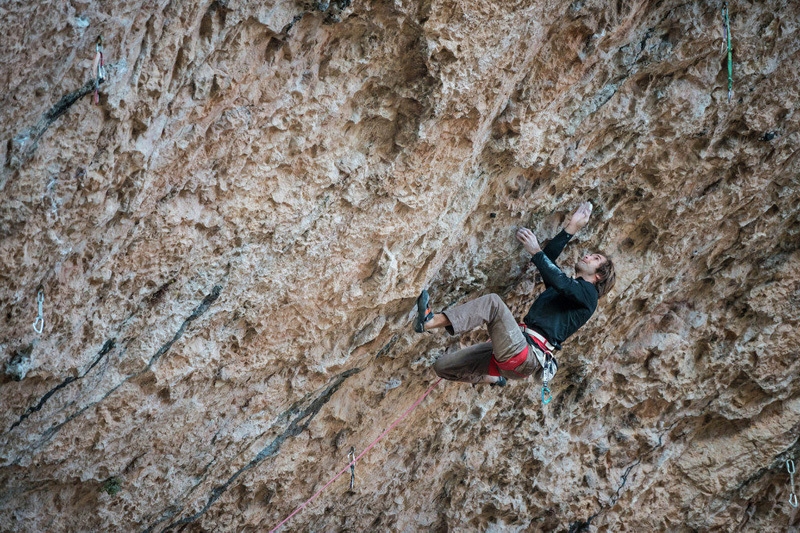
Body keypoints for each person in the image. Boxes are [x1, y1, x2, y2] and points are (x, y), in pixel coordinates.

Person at [414, 201, 615, 391]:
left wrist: (535, 250)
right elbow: (549, 263)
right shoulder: (567, 293)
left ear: (599, 276)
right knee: (443, 367)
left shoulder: (589, 296)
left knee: (493, 303)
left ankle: (431, 321)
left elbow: (557, 277)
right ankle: (492, 378)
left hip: (525, 354)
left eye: (595, 258)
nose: (588, 256)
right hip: (516, 355)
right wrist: (572, 227)